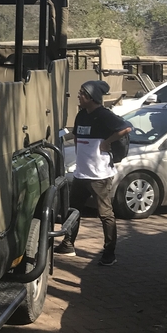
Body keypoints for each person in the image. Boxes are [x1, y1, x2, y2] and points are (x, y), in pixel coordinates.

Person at [55, 80, 132, 266]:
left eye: (82, 93)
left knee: (105, 214)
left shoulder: (104, 115)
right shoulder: (81, 115)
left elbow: (126, 127)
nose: (78, 96)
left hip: (100, 175)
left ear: (90, 97)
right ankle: (68, 244)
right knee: (73, 211)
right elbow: (77, 137)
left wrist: (108, 142)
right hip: (81, 174)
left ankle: (109, 253)